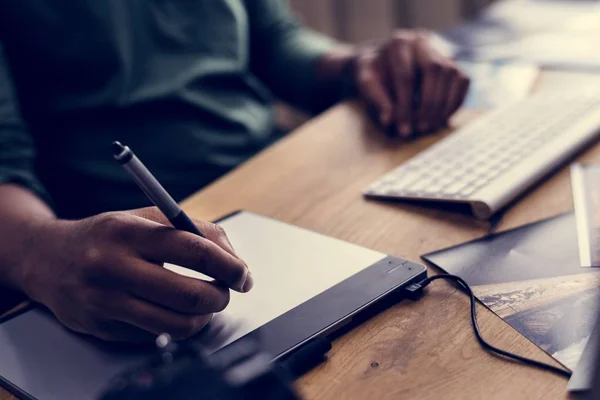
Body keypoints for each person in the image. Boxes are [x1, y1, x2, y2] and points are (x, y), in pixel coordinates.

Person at [0, 1, 469, 342]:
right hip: (135, 261)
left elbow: (274, 40)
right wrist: (37, 254)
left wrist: (361, 63)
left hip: (280, 195)